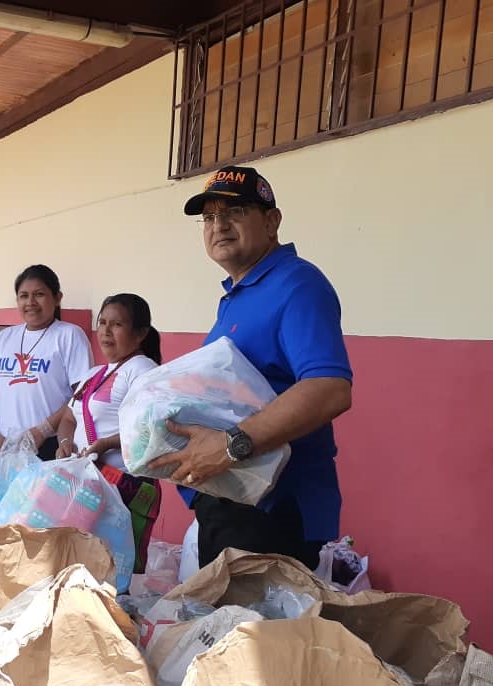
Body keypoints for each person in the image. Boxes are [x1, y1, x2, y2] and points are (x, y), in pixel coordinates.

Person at [153, 165, 352, 570]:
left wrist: (229, 446)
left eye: (235, 212)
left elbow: (330, 386)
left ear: (272, 221)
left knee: (259, 632)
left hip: (271, 510)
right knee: (224, 630)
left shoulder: (297, 284)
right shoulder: (237, 295)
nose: (218, 225)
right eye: (208, 217)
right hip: (231, 501)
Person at [21, 294, 164, 570]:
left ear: (141, 334)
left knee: (116, 569)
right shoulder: (94, 374)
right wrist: (64, 443)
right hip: (89, 486)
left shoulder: (142, 370)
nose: (106, 332)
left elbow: (154, 427)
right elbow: (69, 418)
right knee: (80, 565)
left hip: (124, 484)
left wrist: (105, 444)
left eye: (117, 325)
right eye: (102, 322)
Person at [0, 264, 92, 460]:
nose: (30, 302)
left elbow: (81, 395)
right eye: (23, 296)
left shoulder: (69, 335)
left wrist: (43, 431)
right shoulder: (4, 337)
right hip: (4, 445)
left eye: (39, 294)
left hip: (49, 445)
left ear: (57, 298)